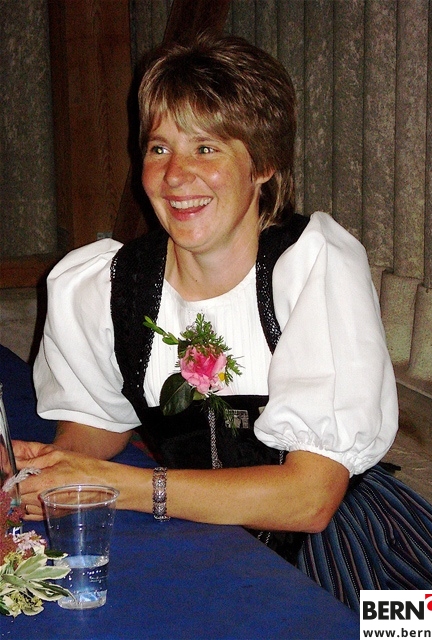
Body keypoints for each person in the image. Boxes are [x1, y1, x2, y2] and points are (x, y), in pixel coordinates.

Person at [14, 34, 400, 594]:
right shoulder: (109, 285)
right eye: (158, 148)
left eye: (206, 148)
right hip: (197, 534)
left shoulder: (313, 266)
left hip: (337, 544)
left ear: (263, 163)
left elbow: (311, 500)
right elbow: (97, 423)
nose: (175, 175)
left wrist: (122, 486)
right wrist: (48, 470)